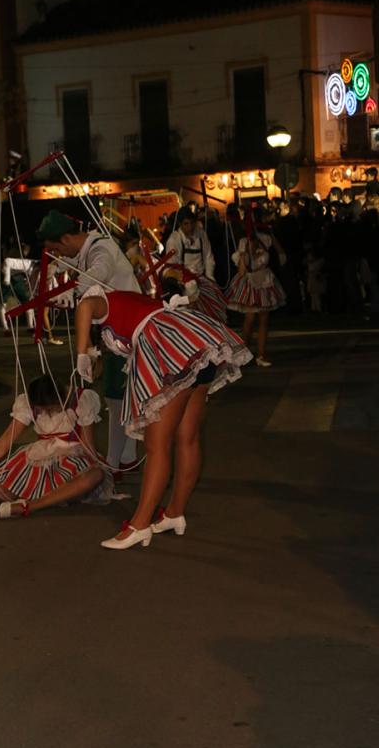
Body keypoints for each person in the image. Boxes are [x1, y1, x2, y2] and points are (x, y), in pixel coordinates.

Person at [75, 286, 252, 549]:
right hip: (193, 345)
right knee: (187, 438)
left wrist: (81, 351)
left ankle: (140, 524)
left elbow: (85, 306)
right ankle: (174, 513)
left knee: (157, 445)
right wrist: (90, 354)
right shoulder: (129, 303)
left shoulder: (105, 301)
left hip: (171, 348)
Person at [37, 209, 140, 479]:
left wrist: (73, 288)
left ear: (68, 238)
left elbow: (99, 272)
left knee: (116, 398)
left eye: (57, 248)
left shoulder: (100, 249)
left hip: (125, 331)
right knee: (122, 397)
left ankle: (115, 463)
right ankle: (126, 457)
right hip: (117, 330)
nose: (58, 255)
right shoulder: (87, 250)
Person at [0, 374, 106, 516]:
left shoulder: (81, 400)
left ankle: (30, 506)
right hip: (38, 459)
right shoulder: (27, 404)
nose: (46, 412)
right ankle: (41, 495)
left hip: (72, 460)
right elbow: (3, 443)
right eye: (42, 408)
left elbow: (88, 446)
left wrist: (97, 468)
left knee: (95, 475)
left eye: (50, 408)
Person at [225, 209, 286, 366]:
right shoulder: (243, 242)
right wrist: (247, 252)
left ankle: (261, 355)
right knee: (250, 319)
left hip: (265, 280)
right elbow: (242, 270)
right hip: (250, 282)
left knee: (264, 319)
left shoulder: (266, 238)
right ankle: (242, 355)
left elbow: (281, 254)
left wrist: (270, 234)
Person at [166, 206, 216, 279]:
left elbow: (208, 257)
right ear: (180, 224)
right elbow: (173, 265)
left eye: (192, 223)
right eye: (186, 224)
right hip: (184, 279)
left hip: (202, 277)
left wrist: (210, 276)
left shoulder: (201, 234)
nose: (190, 227)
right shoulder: (174, 239)